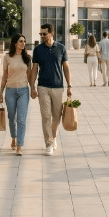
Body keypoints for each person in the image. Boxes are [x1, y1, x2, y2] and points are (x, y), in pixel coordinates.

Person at [29, 23, 73, 156]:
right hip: (43, 86)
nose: (42, 36)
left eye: (44, 34)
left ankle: (53, 138)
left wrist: (69, 86)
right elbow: (34, 69)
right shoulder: (38, 49)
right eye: (40, 34)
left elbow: (66, 67)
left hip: (58, 87)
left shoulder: (61, 48)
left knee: (56, 117)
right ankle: (48, 143)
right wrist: (32, 87)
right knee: (46, 116)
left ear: (51, 33)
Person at [0, 34, 32, 156]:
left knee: (21, 119)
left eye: (24, 41)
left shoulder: (27, 58)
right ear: (14, 43)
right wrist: (0, 92)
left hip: (23, 91)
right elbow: (4, 76)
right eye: (20, 41)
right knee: (11, 118)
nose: (23, 43)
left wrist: (32, 89)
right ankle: (13, 137)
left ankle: (19, 145)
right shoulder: (7, 57)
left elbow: (30, 76)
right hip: (10, 91)